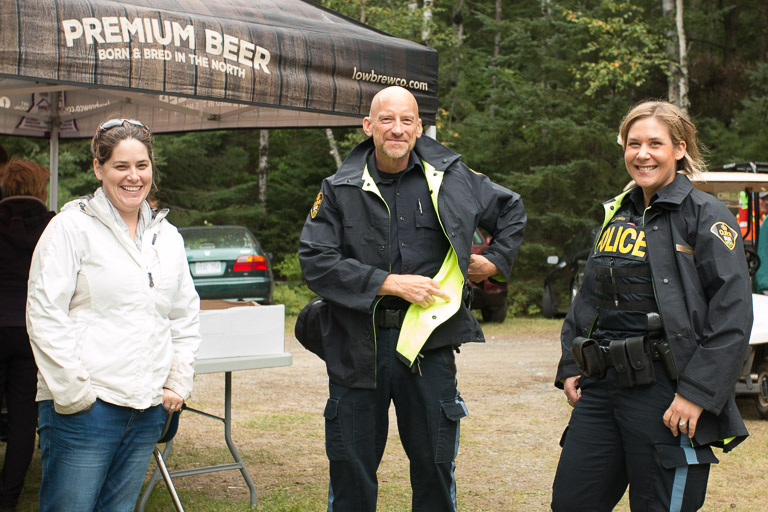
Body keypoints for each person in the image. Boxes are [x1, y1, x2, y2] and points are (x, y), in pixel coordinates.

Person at [298, 86, 526, 511]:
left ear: (419, 127)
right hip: (357, 346)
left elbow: (511, 209)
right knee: (350, 471)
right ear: (368, 126)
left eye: (406, 120)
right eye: (386, 120)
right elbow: (316, 262)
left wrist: (493, 261)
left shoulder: (452, 178)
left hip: (428, 346)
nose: (397, 129)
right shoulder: (338, 187)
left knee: (434, 467)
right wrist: (389, 283)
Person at [552, 100, 753, 511]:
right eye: (633, 144)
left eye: (655, 144)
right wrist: (571, 363)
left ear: (679, 148)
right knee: (571, 502)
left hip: (667, 391)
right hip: (601, 388)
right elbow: (589, 296)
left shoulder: (706, 215)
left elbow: (732, 315)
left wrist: (697, 393)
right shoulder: (618, 213)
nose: (642, 154)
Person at [26, 119, 202, 511]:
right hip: (85, 408)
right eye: (121, 166)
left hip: (147, 407)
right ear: (98, 168)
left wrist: (177, 380)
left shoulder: (167, 237)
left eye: (142, 165)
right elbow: (44, 312)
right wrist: (75, 394)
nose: (133, 176)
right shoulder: (70, 227)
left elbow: (184, 315)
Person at [0, 159, 55, 511]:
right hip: (31, 331)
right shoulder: (53, 226)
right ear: (40, 188)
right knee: (23, 419)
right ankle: (8, 500)